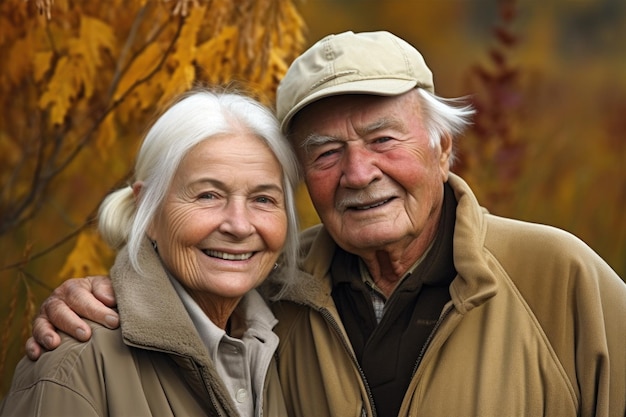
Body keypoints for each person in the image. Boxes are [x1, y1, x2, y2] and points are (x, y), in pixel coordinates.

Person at [22, 31, 626, 417]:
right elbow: (173, 307)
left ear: (443, 149)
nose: (359, 172)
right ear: (302, 180)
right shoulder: (271, 294)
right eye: (325, 151)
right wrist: (98, 296)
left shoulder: (557, 277)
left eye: (383, 138)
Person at [0, 87, 302, 416]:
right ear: (149, 209)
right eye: (207, 195)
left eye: (263, 199)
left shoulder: (296, 342)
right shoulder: (77, 364)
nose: (240, 226)